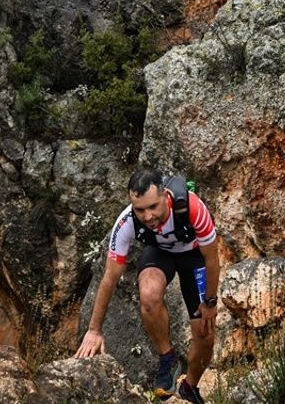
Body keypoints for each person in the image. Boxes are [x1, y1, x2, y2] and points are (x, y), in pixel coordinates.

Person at [75, 169, 220, 404]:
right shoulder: (127, 222)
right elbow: (109, 277)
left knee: (205, 334)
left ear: (165, 196)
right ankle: (168, 359)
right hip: (160, 253)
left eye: (153, 207)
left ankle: (189, 387)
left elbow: (212, 258)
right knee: (149, 295)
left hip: (194, 256)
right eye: (140, 209)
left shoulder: (192, 208)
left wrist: (210, 302)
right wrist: (94, 330)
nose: (148, 216)